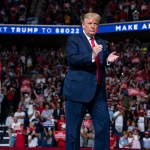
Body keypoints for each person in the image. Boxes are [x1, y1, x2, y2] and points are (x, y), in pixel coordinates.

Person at [63, 12, 119, 150]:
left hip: (98, 93)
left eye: (95, 24)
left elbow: (100, 64)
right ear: (83, 25)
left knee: (103, 127)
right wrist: (91, 55)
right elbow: (72, 60)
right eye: (90, 23)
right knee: (73, 132)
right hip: (77, 92)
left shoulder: (101, 42)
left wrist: (107, 61)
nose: (93, 26)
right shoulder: (74, 40)